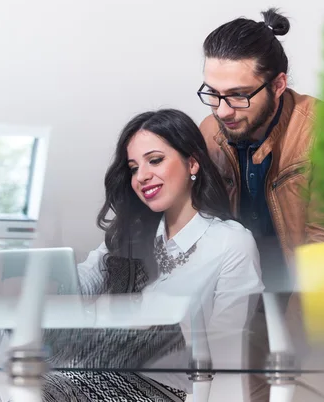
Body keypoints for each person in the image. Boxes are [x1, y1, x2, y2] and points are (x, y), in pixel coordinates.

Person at [28, 109, 264, 400]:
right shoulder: (131, 234)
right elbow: (79, 283)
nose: (142, 176)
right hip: (91, 372)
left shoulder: (230, 242)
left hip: (171, 391)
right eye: (133, 167)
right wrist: (44, 255)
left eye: (155, 160)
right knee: (23, 380)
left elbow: (226, 356)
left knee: (41, 389)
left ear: (192, 162)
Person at [197, 8, 324, 293]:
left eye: (238, 95)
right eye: (213, 93)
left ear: (278, 85)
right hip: (239, 295)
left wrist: (292, 333)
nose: (222, 111)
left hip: (305, 296)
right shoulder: (210, 133)